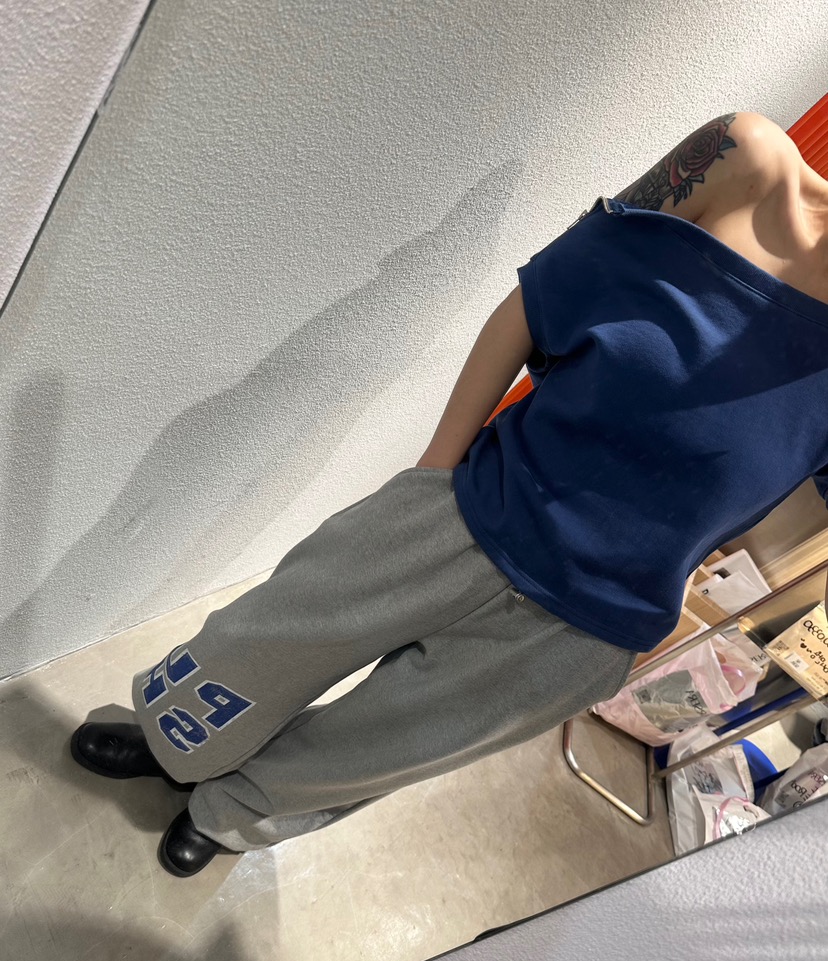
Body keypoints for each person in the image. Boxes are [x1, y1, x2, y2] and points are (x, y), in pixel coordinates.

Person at [71, 109, 828, 876]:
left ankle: (231, 816)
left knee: (376, 747)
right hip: (474, 502)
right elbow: (542, 295)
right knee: (268, 636)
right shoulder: (741, 160)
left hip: (587, 628)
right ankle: (173, 743)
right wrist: (435, 470)